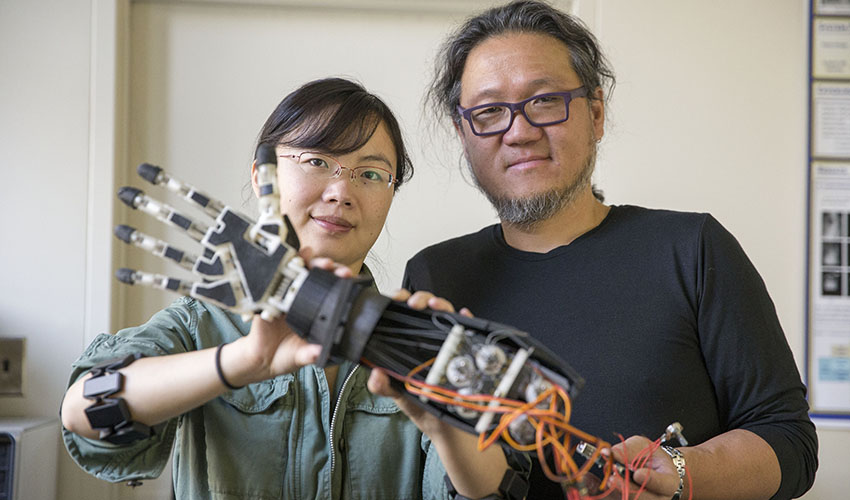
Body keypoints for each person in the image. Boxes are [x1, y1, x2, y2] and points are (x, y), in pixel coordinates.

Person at [403, 1, 818, 499]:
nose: (519, 131)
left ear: (596, 114)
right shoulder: (435, 278)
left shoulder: (693, 251)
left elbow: (790, 441)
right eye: (489, 112)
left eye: (544, 101)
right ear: (463, 134)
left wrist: (684, 473)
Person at [60, 77, 515, 500]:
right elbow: (83, 412)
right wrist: (243, 361)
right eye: (317, 161)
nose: (341, 191)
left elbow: (494, 490)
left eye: (371, 174)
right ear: (263, 176)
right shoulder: (200, 324)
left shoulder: (414, 340)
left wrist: (445, 422)